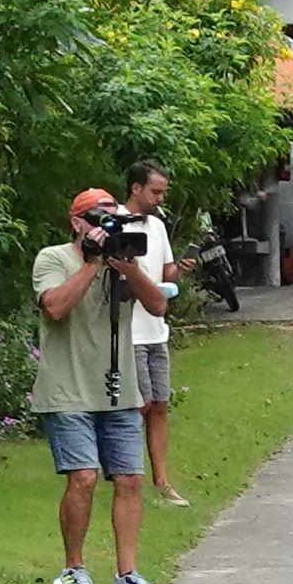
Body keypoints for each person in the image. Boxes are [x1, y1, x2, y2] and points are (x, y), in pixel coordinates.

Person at [34, 187, 169, 584]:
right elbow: (55, 307)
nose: (105, 225)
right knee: (85, 477)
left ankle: (127, 575)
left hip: (118, 388)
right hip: (68, 387)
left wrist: (125, 266)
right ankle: (73, 568)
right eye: (98, 217)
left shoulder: (123, 261)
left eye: (114, 218)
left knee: (130, 479)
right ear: (77, 222)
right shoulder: (53, 258)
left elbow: (158, 306)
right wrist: (92, 264)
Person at [121, 159, 190, 507]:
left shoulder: (158, 226)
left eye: (162, 192)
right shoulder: (116, 222)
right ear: (135, 188)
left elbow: (167, 273)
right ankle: (131, 474)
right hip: (128, 330)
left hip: (155, 330)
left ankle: (162, 479)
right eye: (155, 191)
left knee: (160, 404)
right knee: (139, 404)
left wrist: (182, 269)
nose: (160, 198)